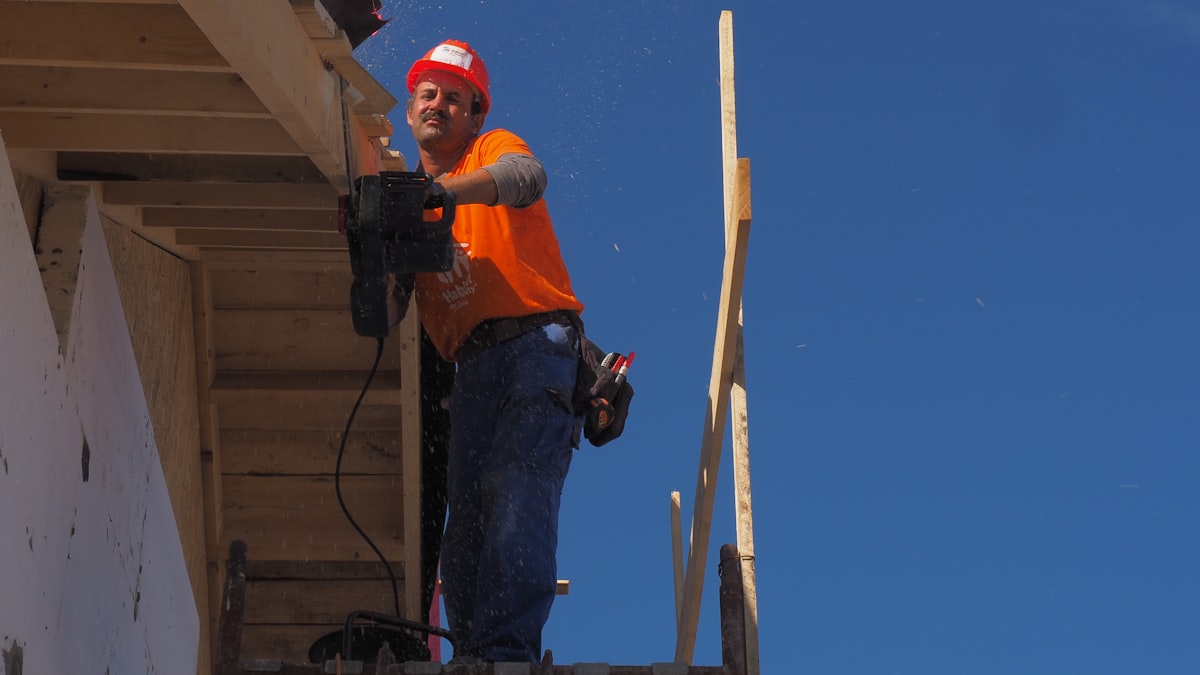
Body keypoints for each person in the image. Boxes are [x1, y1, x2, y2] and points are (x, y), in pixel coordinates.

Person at [387, 39, 584, 664]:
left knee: (516, 492)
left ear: (475, 114)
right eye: (428, 95)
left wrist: (445, 195)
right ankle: (475, 653)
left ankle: (505, 654)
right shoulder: (403, 198)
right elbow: (388, 311)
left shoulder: (491, 149)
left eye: (455, 98)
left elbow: (527, 179)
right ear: (411, 110)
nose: (439, 105)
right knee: (465, 527)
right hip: (469, 369)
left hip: (535, 345)